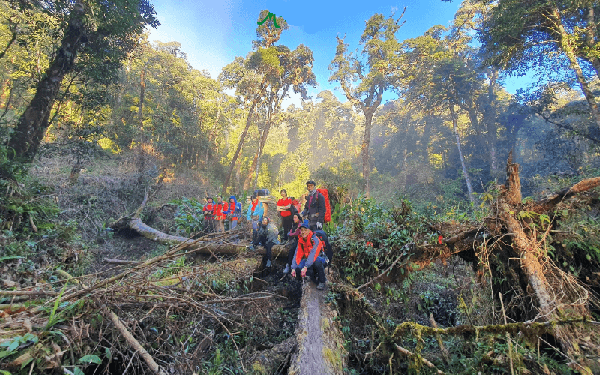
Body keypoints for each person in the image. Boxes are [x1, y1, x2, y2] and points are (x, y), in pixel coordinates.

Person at [291, 222, 327, 290]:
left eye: (305, 230)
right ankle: (312, 276)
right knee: (298, 268)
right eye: (302, 230)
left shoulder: (315, 240)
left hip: (320, 258)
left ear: (309, 230)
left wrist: (306, 266)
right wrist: (293, 268)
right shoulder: (301, 240)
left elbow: (313, 254)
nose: (303, 232)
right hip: (309, 260)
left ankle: (322, 281)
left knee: (317, 261)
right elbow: (297, 254)